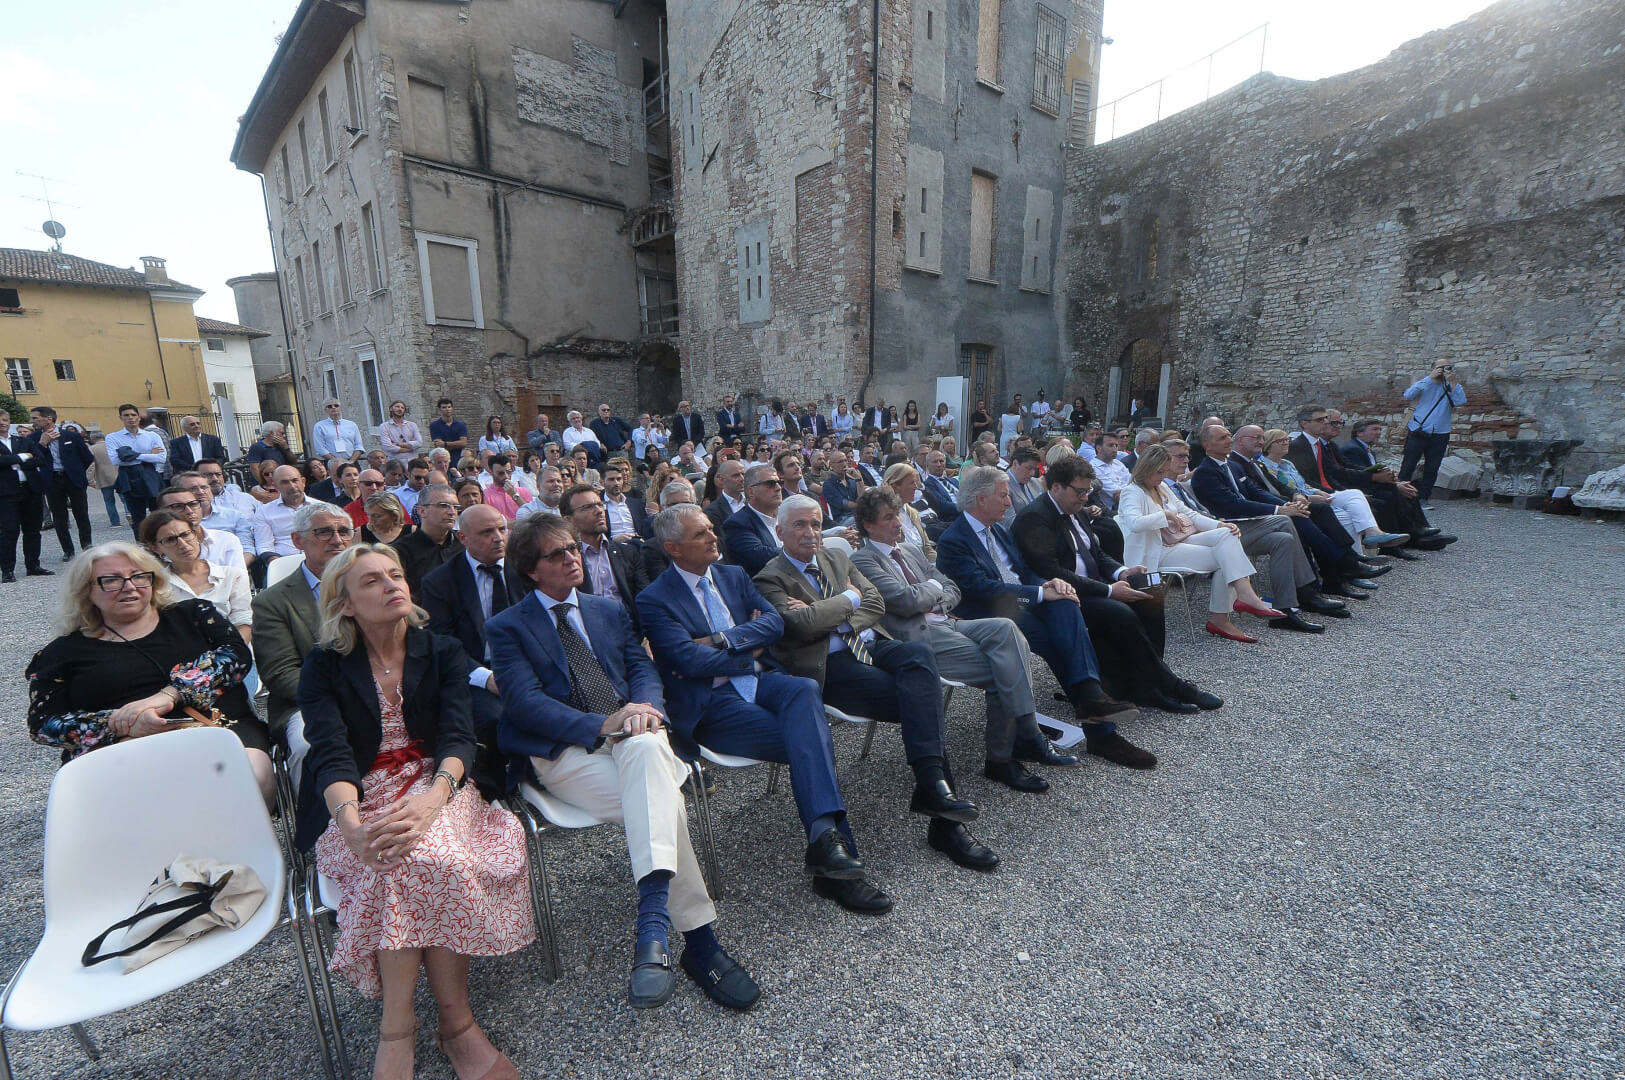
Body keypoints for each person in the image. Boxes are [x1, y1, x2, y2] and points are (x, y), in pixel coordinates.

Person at [483, 514, 758, 1009]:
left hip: (634, 735)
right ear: (531, 570)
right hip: (567, 750)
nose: (572, 558)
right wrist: (602, 723)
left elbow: (641, 667)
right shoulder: (508, 626)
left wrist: (645, 707)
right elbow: (524, 703)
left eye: (572, 548)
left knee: (648, 753)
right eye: (557, 554)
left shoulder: (606, 609)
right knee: (660, 800)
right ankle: (699, 945)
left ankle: (655, 927)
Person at [295, 544, 530, 1080]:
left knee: (431, 857)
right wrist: (351, 826)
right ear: (345, 604)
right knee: (392, 859)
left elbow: (458, 736)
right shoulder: (324, 664)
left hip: (438, 782)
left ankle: (421, 1027)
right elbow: (330, 751)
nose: (391, 585)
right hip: (357, 793)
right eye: (372, 581)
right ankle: (436, 1026)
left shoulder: (440, 649)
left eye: (395, 574)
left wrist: (432, 799)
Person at [637, 504, 894, 914]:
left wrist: (721, 640)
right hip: (713, 704)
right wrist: (748, 645)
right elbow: (689, 661)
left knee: (803, 690)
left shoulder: (733, 575)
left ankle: (827, 848)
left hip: (761, 682)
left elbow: (775, 624)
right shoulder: (654, 599)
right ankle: (835, 861)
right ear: (673, 548)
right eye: (701, 533)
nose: (713, 536)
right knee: (811, 741)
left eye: (711, 528)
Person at [754, 495, 990, 869]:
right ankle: (942, 813)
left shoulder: (836, 556)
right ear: (779, 531)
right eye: (799, 525)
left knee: (919, 657)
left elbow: (876, 604)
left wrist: (826, 613)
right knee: (922, 700)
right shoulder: (769, 577)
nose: (810, 532)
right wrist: (851, 596)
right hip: (832, 665)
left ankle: (933, 788)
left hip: (872, 644)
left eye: (816, 523)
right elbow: (800, 625)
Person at [849, 486, 1066, 794]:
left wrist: (933, 594)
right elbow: (906, 601)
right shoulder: (863, 561)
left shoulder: (909, 550)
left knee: (1006, 629)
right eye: (888, 518)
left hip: (948, 620)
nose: (898, 523)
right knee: (1006, 668)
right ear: (868, 525)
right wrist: (934, 588)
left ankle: (1026, 736)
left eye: (897, 514)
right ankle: (1006, 755)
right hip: (918, 636)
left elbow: (952, 587)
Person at [938, 467, 1154, 768]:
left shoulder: (996, 529)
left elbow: (1022, 571)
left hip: (1021, 600)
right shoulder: (954, 540)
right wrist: (1039, 593)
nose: (1009, 502)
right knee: (1056, 642)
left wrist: (1049, 584)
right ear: (981, 498)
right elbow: (982, 589)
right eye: (1003, 496)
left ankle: (1091, 697)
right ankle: (1099, 727)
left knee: (1066, 602)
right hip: (991, 612)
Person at [26, 541, 270, 801]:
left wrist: (169, 695)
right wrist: (121, 722)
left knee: (247, 774)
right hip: (120, 749)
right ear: (86, 590)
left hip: (214, 729)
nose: (129, 587)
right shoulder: (62, 652)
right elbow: (43, 724)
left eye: (139, 576)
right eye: (112, 580)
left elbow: (236, 655)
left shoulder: (193, 615)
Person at [1012, 457, 1222, 713]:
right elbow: (1051, 571)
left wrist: (1122, 571)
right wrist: (1110, 590)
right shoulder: (1035, 518)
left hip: (1094, 583)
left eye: (1088, 491)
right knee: (1119, 612)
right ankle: (1171, 685)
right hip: (1064, 595)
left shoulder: (1074, 508)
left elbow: (1096, 553)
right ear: (1056, 487)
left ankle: (1147, 684)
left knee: (1152, 593)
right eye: (1080, 492)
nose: (1085, 498)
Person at [1115, 446, 1283, 644]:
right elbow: (1134, 523)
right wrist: (1165, 515)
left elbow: (1189, 513)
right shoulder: (1131, 492)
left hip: (1176, 540)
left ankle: (1241, 598)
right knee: (1226, 559)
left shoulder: (1161, 487)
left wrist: (1219, 524)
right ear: (1146, 468)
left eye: (1165, 471)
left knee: (1227, 534)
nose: (1163, 476)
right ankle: (1225, 614)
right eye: (1159, 472)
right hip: (1155, 551)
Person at [1187, 426, 1350, 626]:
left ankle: (1284, 609)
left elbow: (1255, 492)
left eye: (1229, 436)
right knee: (1285, 519)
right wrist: (1279, 510)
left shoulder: (1230, 466)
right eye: (1222, 438)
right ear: (1207, 445)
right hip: (1228, 532)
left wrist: (1285, 505)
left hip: (1248, 528)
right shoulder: (1205, 472)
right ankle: (1311, 588)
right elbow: (1234, 505)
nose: (1229, 440)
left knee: (1283, 540)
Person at [251, 501, 355, 782]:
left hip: (385, 692)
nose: (337, 540)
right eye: (324, 532)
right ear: (298, 540)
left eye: (344, 531)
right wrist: (348, 696)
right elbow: (281, 673)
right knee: (311, 747)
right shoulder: (273, 602)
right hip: (310, 703)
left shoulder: (377, 584)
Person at [1288, 406, 1444, 557]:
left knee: (1386, 491)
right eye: (1321, 420)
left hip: (1331, 489)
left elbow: (1338, 469)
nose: (1326, 423)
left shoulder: (1321, 445)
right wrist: (1372, 478)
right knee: (1379, 496)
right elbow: (1309, 478)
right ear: (1305, 423)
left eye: (1327, 420)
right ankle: (1388, 542)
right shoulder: (1299, 446)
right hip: (1319, 492)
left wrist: (1380, 475)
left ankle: (1377, 544)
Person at [1255, 429, 1407, 556]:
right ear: (1268, 444)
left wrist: (1319, 492)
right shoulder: (1264, 466)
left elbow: (1304, 484)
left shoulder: (1288, 463)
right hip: (1298, 503)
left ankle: (1370, 536)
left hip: (1313, 495)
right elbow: (1276, 491)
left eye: (1287, 439)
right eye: (1280, 440)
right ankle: (1356, 558)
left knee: (1354, 494)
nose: (1286, 442)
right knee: (1347, 516)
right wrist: (1310, 497)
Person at [141, 509, 253, 648]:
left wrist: (229, 654)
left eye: (185, 534)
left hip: (233, 650)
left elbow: (244, 622)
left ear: (195, 534)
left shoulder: (232, 576)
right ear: (155, 548)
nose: (183, 544)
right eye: (170, 540)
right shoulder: (155, 585)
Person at [1342, 419, 1459, 547]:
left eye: (1380, 429)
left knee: (1408, 489)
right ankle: (1416, 531)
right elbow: (1360, 476)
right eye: (1374, 429)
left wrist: (1393, 479)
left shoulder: (1366, 449)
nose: (1379, 432)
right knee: (1394, 492)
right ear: (1359, 433)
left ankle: (1423, 532)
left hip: (1372, 484)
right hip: (1361, 489)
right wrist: (1394, 485)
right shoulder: (1352, 449)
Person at [562, 483, 650, 632]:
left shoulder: (627, 553)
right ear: (568, 520)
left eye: (600, 504)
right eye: (587, 507)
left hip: (629, 632)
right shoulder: (565, 561)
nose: (599, 511)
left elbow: (644, 598)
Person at [28, 406, 94, 561]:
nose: (32, 421)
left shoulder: (71, 436)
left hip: (73, 479)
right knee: (59, 517)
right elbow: (33, 460)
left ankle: (87, 546)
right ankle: (68, 550)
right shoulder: (33, 438)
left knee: (81, 514)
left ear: (48, 419)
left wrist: (76, 471)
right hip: (52, 480)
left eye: (35, 418)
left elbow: (87, 457)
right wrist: (42, 444)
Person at [1400, 360, 1467, 501]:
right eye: (1440, 367)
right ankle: (1400, 495)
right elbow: (1408, 395)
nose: (1444, 370)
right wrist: (1430, 378)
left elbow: (1460, 401)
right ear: (1433, 369)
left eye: (1448, 367)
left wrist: (1453, 382)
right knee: (1408, 464)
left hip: (1441, 432)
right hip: (1418, 429)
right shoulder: (1425, 383)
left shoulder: (1452, 385)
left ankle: (1423, 497)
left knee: (1432, 467)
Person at [0, 415, 50, 582]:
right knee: (9, 531)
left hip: (30, 489)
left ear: (9, 422)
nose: (1, 423)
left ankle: (33, 565)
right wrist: (22, 457)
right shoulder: (23, 447)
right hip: (6, 493)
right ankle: (7, 570)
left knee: (33, 530)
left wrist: (11, 463)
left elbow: (40, 460)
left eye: (4, 420)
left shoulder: (23, 440)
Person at [105, 403, 166, 536]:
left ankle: (161, 541)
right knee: (137, 517)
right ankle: (141, 544)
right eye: (126, 415)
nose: (130, 418)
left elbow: (161, 457)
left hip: (150, 475)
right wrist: (148, 454)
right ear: (121, 418)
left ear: (138, 417)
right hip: (129, 477)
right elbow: (116, 460)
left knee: (159, 514)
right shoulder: (112, 437)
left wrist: (131, 455)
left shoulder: (152, 436)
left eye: (133, 415)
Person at [157, 482, 247, 573]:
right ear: (162, 512)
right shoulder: (158, 549)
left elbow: (238, 577)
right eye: (178, 506)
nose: (189, 511)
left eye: (193, 504)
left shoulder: (226, 539)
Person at [721, 463, 786, 576]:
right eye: (770, 484)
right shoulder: (737, 523)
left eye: (779, 483)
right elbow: (759, 556)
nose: (778, 488)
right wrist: (798, 550)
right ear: (751, 492)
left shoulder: (787, 515)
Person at [253, 464, 310, 567]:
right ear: (275, 486)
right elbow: (264, 546)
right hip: (281, 563)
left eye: (295, 480)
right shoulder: (264, 512)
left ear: (303, 482)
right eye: (285, 482)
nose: (292, 486)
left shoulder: (321, 508)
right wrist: (279, 565)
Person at [599, 459, 649, 541]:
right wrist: (614, 541)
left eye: (619, 479)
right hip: (612, 545)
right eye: (611, 479)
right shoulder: (598, 505)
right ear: (602, 482)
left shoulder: (636, 504)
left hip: (637, 543)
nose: (616, 483)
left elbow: (644, 529)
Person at [311, 399, 366, 464]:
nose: (333, 407)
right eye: (330, 406)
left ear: (340, 407)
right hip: (332, 463)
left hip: (352, 462)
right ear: (325, 410)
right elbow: (320, 448)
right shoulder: (319, 426)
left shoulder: (352, 425)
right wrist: (337, 462)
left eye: (336, 405)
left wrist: (351, 462)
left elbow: (359, 446)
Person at [481, 454, 532, 521]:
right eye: (500, 473)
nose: (506, 476)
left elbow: (532, 515)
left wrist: (514, 495)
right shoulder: (485, 495)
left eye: (508, 472)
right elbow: (490, 521)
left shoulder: (523, 491)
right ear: (491, 473)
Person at [89, 432, 123, 527]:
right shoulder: (113, 446)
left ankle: (115, 522)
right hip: (119, 475)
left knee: (109, 501)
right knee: (124, 499)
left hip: (103, 477)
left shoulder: (92, 449)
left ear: (92, 439)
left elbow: (91, 466)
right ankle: (130, 515)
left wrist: (90, 480)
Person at [1001, 447, 1044, 523]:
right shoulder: (1002, 486)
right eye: (1029, 468)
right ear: (1015, 464)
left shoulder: (1036, 483)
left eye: (1035, 469)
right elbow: (1010, 523)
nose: (1032, 473)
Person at [821, 450, 863, 526]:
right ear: (831, 465)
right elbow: (844, 504)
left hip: (856, 515)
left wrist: (858, 479)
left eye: (845, 460)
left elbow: (861, 497)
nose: (844, 464)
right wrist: (863, 506)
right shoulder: (828, 485)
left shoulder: (852, 481)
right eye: (840, 462)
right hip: (841, 520)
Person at [1091, 431, 1132, 506]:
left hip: (1130, 502)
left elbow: (1133, 482)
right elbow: (1117, 495)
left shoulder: (1118, 463)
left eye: (1116, 445)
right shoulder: (1093, 468)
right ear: (1099, 448)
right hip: (1113, 509)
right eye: (1111, 445)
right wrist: (1132, 490)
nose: (1115, 449)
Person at [377, 400, 423, 464]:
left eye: (402, 408)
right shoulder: (384, 426)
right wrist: (410, 448)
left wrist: (398, 444)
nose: (400, 409)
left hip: (413, 461)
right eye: (397, 407)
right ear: (391, 409)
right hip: (395, 462)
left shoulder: (412, 425)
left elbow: (419, 443)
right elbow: (387, 446)